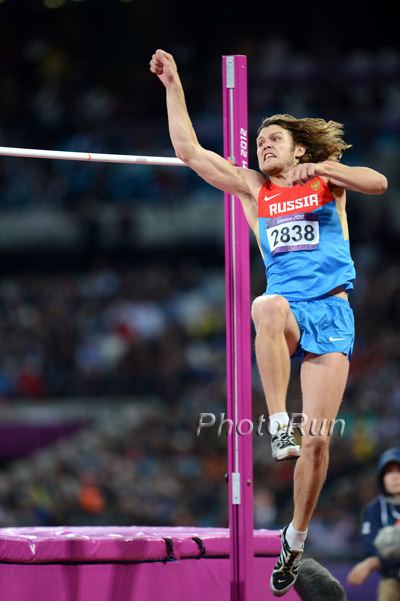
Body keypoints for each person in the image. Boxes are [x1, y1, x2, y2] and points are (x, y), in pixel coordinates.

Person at [149, 49, 388, 596]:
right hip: (287, 313)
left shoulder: (328, 183)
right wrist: (175, 83)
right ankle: (276, 422)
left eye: (273, 138)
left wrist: (325, 166)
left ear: (299, 147)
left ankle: (295, 538)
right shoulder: (255, 191)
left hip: (331, 311)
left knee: (320, 443)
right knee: (266, 305)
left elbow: (377, 182)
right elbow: (188, 150)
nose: (263, 144)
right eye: (259, 140)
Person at [347, 448, 400, 601]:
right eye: (389, 472)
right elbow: (370, 546)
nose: (395, 477)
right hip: (393, 578)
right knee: (388, 591)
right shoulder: (375, 508)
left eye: (399, 471)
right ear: (381, 478)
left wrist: (373, 562)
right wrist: (375, 560)